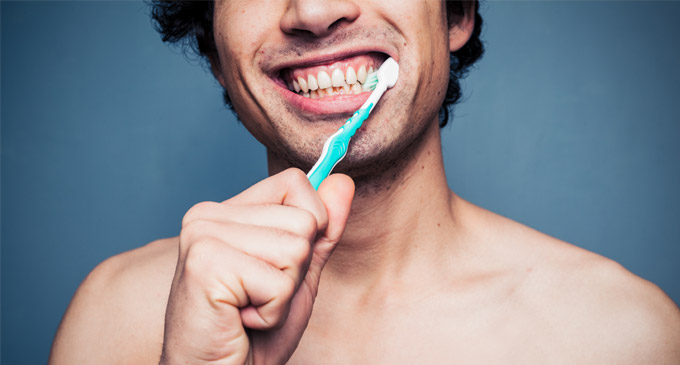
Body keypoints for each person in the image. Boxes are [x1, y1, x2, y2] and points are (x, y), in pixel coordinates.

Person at [50, 0, 680, 363]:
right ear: (216, 49)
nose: (316, 11)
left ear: (455, 11)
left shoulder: (624, 337)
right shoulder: (115, 319)